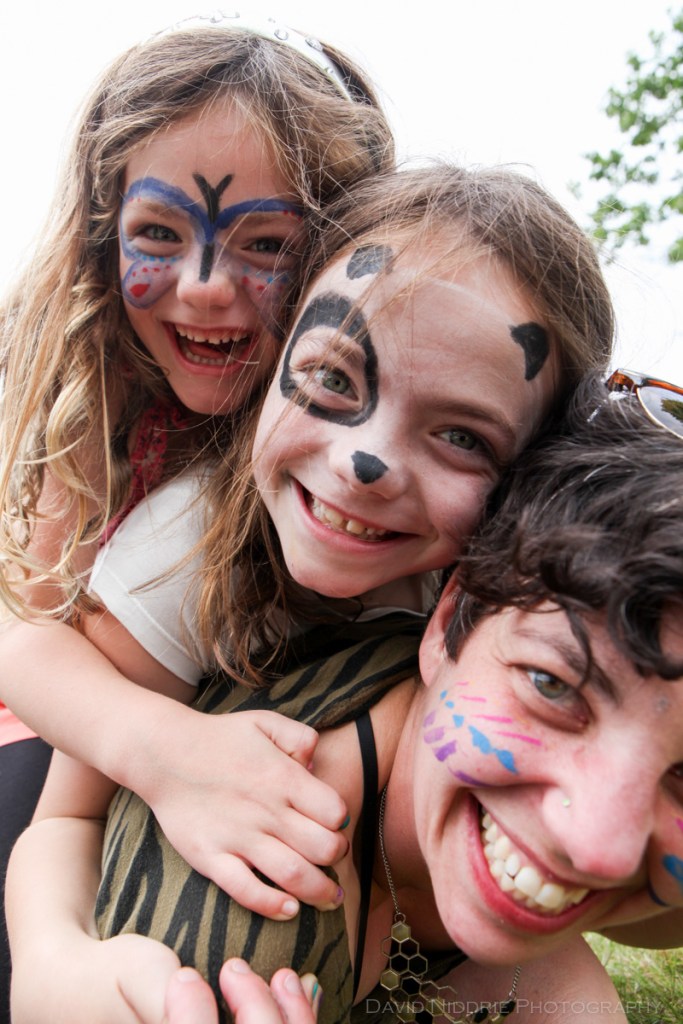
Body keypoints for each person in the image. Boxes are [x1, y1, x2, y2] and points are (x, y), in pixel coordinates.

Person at [6, 167, 627, 1022]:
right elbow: (64, 821)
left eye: (458, 435)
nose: (362, 462)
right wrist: (52, 965)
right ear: (275, 359)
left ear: (529, 473)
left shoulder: (513, 590)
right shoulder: (183, 544)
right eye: (335, 380)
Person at [0, 13, 393, 1016]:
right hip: (52, 733)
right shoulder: (98, 394)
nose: (207, 287)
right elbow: (18, 634)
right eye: (158, 236)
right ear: (105, 234)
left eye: (263, 243)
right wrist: (159, 749)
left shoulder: (364, 442)